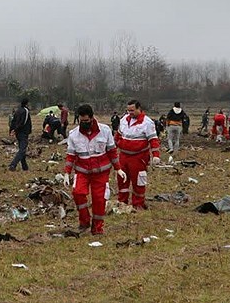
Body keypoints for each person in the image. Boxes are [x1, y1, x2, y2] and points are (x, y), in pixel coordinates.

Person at [63, 104, 123, 234]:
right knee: (78, 193)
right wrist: (67, 173)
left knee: (99, 200)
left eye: (86, 121)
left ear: (92, 118)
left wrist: (118, 168)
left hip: (101, 173)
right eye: (81, 121)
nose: (83, 123)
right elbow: (71, 155)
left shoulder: (105, 130)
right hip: (82, 171)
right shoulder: (73, 134)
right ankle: (84, 222)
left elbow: (112, 151)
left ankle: (97, 228)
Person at [115, 99, 161, 210]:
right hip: (123, 156)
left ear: (139, 109)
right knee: (122, 180)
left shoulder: (147, 122)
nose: (130, 113)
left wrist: (156, 155)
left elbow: (153, 140)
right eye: (128, 110)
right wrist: (112, 149)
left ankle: (138, 204)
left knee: (138, 181)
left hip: (139, 157)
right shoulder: (124, 120)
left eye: (132, 110)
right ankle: (122, 202)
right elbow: (118, 136)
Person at [8, 98, 32, 171]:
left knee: (22, 149)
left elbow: (13, 121)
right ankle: (13, 164)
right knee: (22, 150)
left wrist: (11, 130)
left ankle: (25, 167)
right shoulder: (25, 111)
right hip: (23, 132)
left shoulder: (18, 110)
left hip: (18, 133)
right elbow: (23, 122)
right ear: (27, 103)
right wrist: (16, 129)